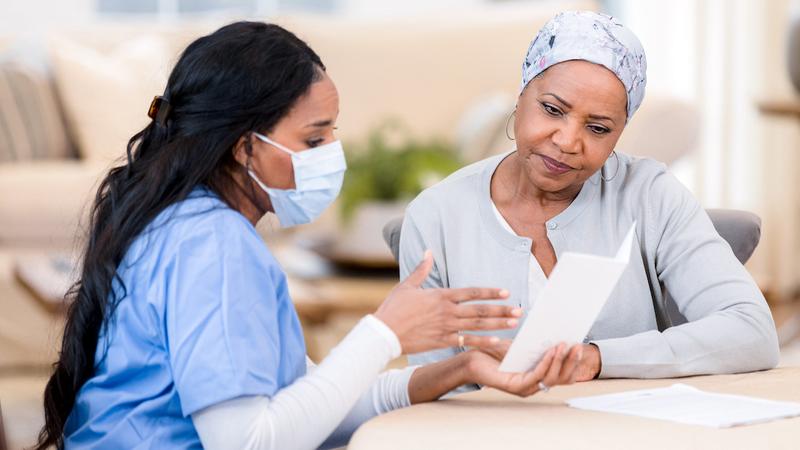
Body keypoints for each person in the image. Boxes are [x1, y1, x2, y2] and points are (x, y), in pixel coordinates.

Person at [35, 22, 585, 450]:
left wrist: (457, 369)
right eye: (314, 139)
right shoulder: (212, 245)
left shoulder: (184, 222)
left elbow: (310, 405)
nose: (330, 157)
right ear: (244, 146)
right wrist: (385, 333)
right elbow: (250, 441)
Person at [401, 11, 779, 394]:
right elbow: (431, 394)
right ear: (520, 98)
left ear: (619, 135)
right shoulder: (436, 215)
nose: (567, 141)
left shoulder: (651, 194)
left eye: (597, 128)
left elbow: (752, 331)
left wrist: (596, 359)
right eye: (552, 109)